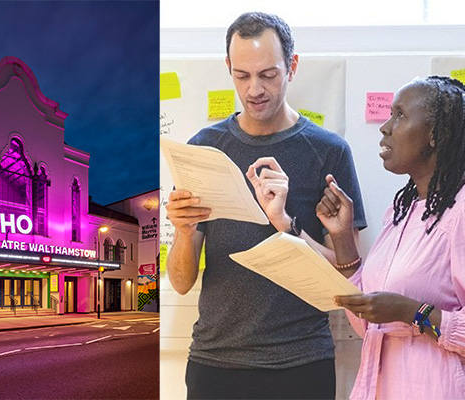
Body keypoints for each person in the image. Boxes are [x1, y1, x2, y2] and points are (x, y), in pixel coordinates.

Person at [163, 12, 367, 399]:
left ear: (292, 66)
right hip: (214, 363)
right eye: (241, 75)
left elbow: (347, 277)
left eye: (268, 74)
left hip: (300, 364)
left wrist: (285, 223)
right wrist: (185, 230)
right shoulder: (203, 147)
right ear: (228, 68)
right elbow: (182, 281)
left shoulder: (328, 152)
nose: (254, 89)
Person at [314, 76, 465, 399]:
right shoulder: (402, 211)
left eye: (400, 115)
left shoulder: (461, 212)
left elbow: (401, 311)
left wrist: (412, 312)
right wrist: (342, 237)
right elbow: (367, 325)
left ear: (436, 136)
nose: (385, 127)